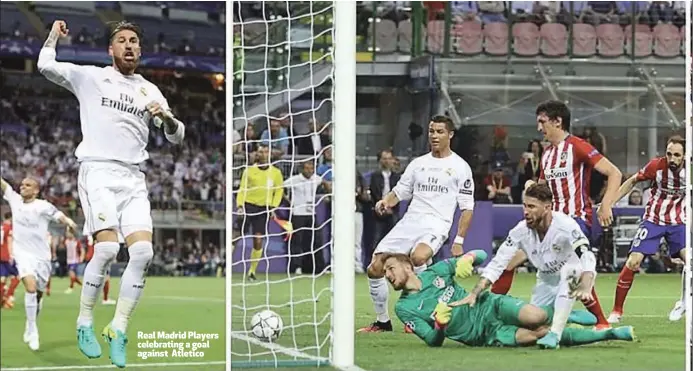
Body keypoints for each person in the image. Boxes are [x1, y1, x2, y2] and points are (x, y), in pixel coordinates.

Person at [37, 20, 186, 367]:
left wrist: (165, 117)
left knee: (144, 252)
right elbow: (45, 65)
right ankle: (85, 322)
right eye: (122, 40)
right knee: (106, 248)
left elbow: (177, 136)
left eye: (134, 41)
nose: (129, 45)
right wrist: (52, 37)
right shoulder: (90, 77)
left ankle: (118, 328)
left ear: (140, 49)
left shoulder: (150, 91)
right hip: (99, 171)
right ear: (111, 49)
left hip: (134, 178)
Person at [491, 100, 622, 330]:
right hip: (549, 224)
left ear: (557, 121)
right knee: (509, 262)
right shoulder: (547, 155)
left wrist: (606, 205)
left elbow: (614, 172)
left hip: (576, 220)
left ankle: (600, 322)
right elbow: (542, 191)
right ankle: (489, 312)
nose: (539, 128)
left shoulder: (578, 147)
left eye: (542, 122)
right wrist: (531, 185)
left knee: (568, 271)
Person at [358, 115, 476, 333]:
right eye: (431, 131)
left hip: (437, 224)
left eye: (440, 131)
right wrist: (386, 201)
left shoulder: (461, 167)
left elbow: (467, 207)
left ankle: (421, 315)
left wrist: (459, 240)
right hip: (411, 221)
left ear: (450, 135)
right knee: (374, 268)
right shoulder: (418, 164)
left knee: (419, 257)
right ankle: (382, 321)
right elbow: (400, 192)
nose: (434, 135)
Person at [462, 183, 609, 348]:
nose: (526, 211)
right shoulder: (520, 231)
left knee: (572, 272)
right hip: (545, 280)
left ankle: (555, 334)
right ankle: (566, 316)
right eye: (524, 206)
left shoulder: (566, 225)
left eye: (531, 207)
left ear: (547, 208)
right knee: (532, 325)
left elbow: (586, 253)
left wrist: (587, 283)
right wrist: (475, 292)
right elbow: (498, 263)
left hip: (570, 274)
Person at [386, 252, 635, 349]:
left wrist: (469, 258)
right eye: (385, 273)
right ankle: (610, 334)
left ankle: (564, 314)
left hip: (488, 304)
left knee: (535, 317)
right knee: (541, 334)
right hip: (482, 335)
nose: (387, 275)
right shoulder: (403, 308)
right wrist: (440, 326)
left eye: (390, 268)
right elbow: (432, 341)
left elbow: (484, 254)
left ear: (408, 266)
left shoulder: (435, 272)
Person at [607, 135, 687, 323]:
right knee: (633, 262)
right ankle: (616, 311)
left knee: (689, 261)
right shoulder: (656, 167)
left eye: (677, 155)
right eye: (669, 154)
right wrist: (610, 202)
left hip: (678, 222)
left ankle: (683, 302)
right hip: (653, 220)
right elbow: (633, 180)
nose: (672, 159)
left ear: (685, 155)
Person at [0, 177, 78, 350]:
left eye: (27, 185)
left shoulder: (43, 206)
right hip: (22, 254)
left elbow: (59, 216)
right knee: (30, 287)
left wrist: (70, 223)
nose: (23, 186)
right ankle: (33, 331)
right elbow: (4, 184)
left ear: (35, 190)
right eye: (22, 184)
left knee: (38, 295)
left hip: (42, 256)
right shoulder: (14, 199)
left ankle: (30, 323)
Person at [235, 145, 284, 281]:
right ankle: (225, 266)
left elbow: (279, 191)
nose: (264, 154)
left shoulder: (276, 173)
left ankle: (252, 271)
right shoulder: (249, 171)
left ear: (270, 154)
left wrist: (273, 207)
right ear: (257, 154)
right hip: (248, 206)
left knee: (258, 240)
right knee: (235, 236)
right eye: (261, 151)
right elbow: (242, 189)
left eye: (266, 151)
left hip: (263, 209)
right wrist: (240, 205)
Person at [0, 212, 19, 308]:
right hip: (6, 256)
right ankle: (8, 296)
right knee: (17, 276)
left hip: (0, 255)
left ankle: (2, 299)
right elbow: (9, 242)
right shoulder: (9, 229)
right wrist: (11, 255)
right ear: (11, 218)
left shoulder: (1, 227)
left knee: (2, 278)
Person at [63, 227, 84, 294]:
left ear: (72, 234)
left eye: (68, 233)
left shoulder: (76, 242)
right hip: (68, 260)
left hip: (74, 260)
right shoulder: (66, 241)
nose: (67, 234)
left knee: (72, 274)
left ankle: (71, 287)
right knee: (73, 276)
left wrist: (81, 257)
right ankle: (83, 286)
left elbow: (82, 250)